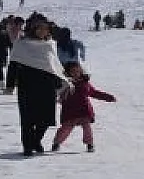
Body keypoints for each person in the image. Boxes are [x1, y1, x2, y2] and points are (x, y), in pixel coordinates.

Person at [8, 15, 67, 156]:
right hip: (27, 84)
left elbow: (54, 65)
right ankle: (28, 146)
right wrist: (10, 83)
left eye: (45, 29)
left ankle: (36, 140)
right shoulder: (21, 44)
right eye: (39, 28)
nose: (42, 31)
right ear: (33, 29)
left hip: (47, 85)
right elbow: (13, 63)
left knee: (46, 118)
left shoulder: (50, 44)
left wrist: (60, 82)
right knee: (27, 118)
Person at [51, 62, 115, 152]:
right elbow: (57, 94)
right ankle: (56, 143)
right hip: (69, 111)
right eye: (73, 71)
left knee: (87, 127)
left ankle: (90, 144)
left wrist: (108, 97)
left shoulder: (85, 83)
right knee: (66, 128)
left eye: (78, 71)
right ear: (67, 73)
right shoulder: (64, 84)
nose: (76, 73)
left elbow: (94, 93)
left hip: (84, 111)